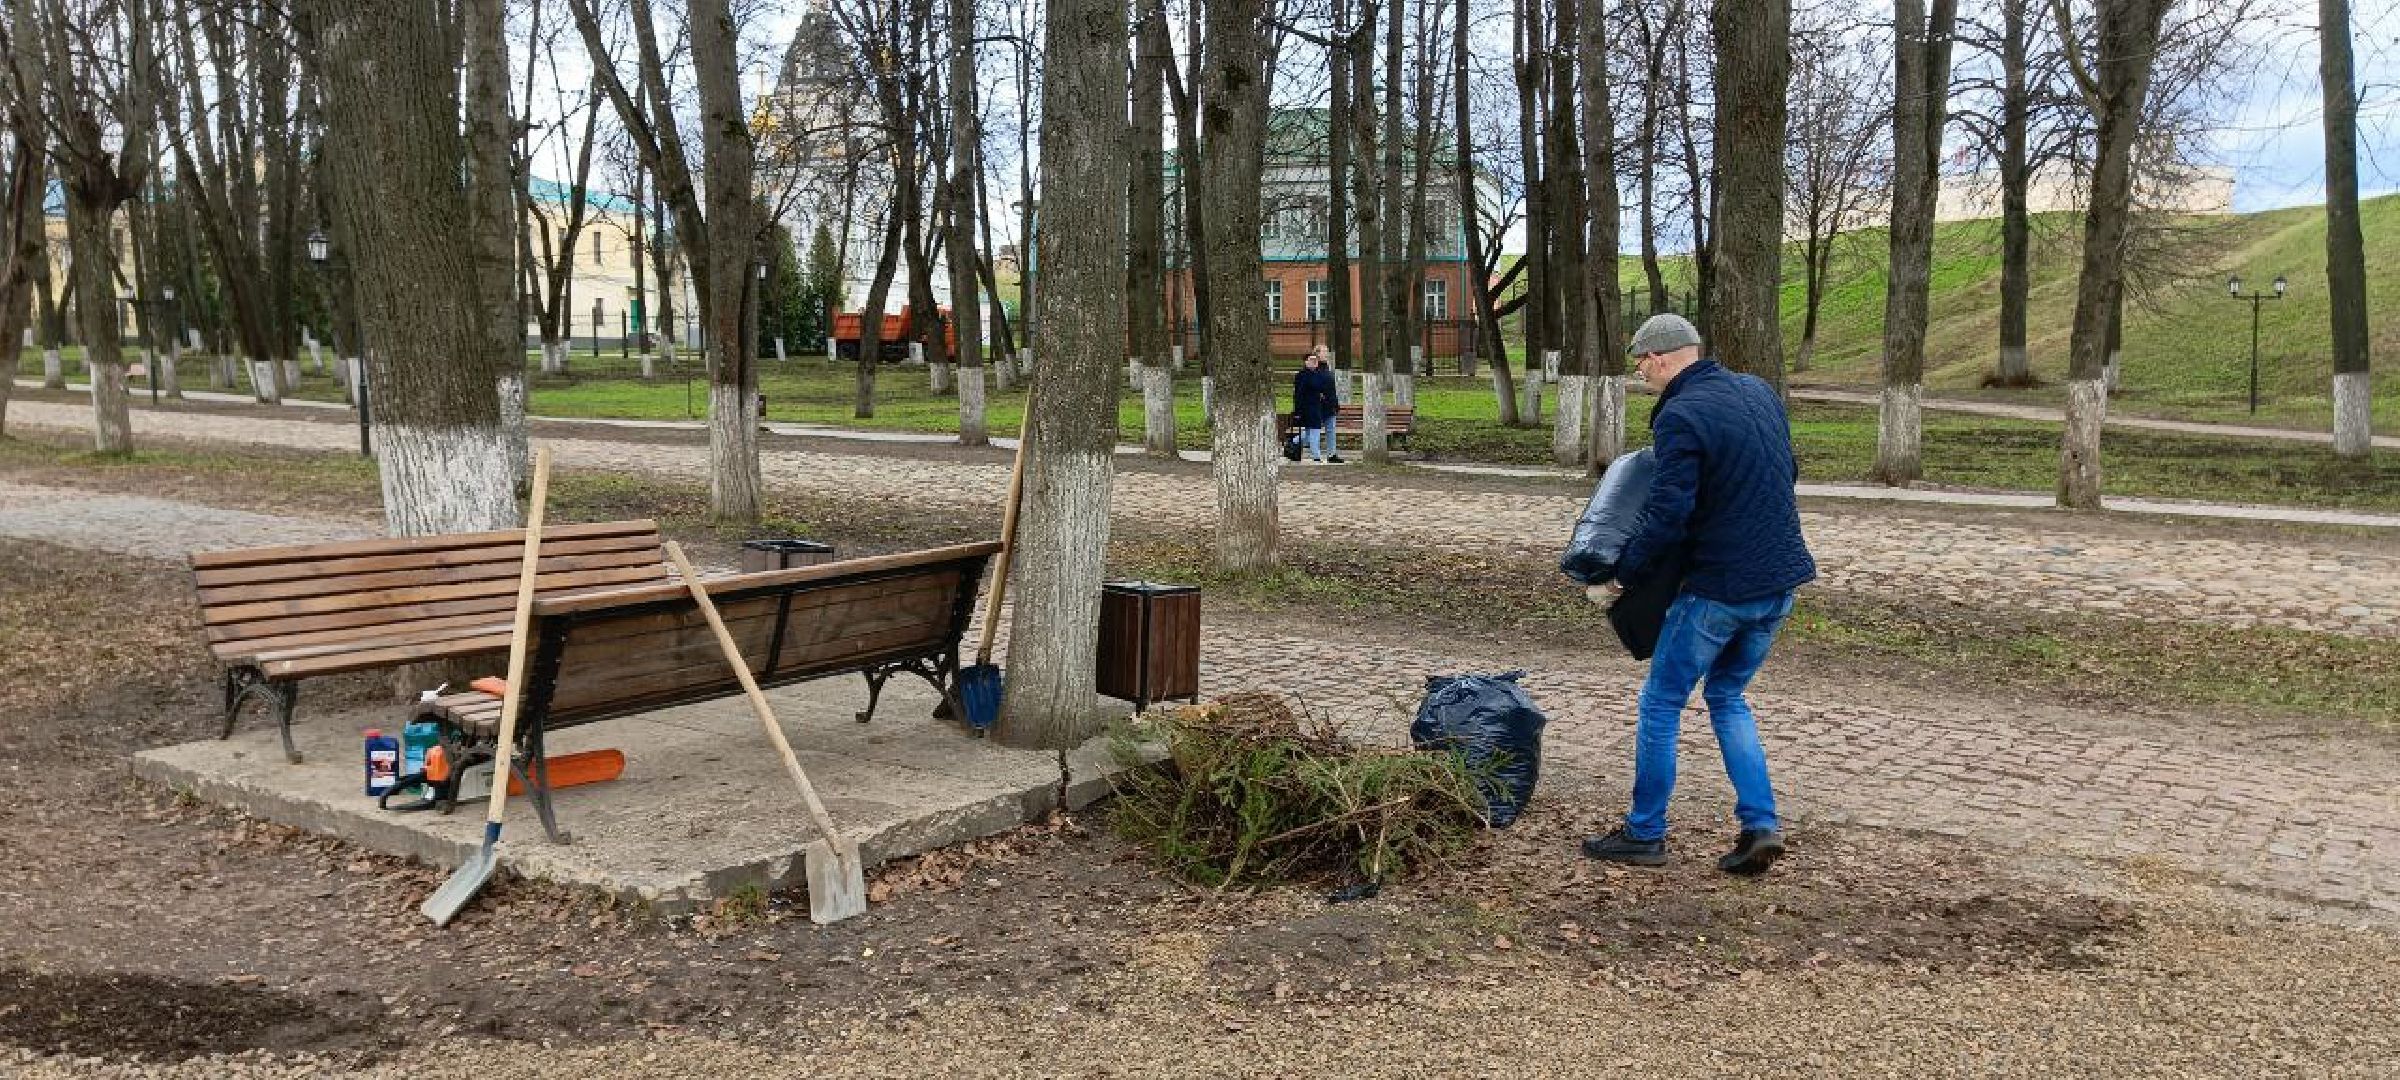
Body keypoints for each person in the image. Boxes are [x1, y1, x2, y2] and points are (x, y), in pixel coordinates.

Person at [1582, 313, 1816, 877]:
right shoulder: (1757, 391)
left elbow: (1668, 514)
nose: (1640, 372)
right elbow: (1786, 469)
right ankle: (1760, 825)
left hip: (1720, 589)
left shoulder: (1681, 415)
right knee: (1728, 696)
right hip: (1777, 583)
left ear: (1660, 358)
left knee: (1661, 703)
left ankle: (1644, 833)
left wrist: (1621, 579)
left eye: (1641, 362)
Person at [1291, 346, 1343, 464]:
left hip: (1330, 403)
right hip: (1318, 406)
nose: (1327, 354)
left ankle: (1331, 454)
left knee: (1330, 430)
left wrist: (1335, 403)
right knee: (1313, 431)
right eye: (1324, 351)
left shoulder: (1327, 368)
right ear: (1317, 354)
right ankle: (1297, 442)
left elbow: (1331, 388)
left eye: (1327, 351)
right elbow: (1309, 388)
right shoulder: (1314, 369)